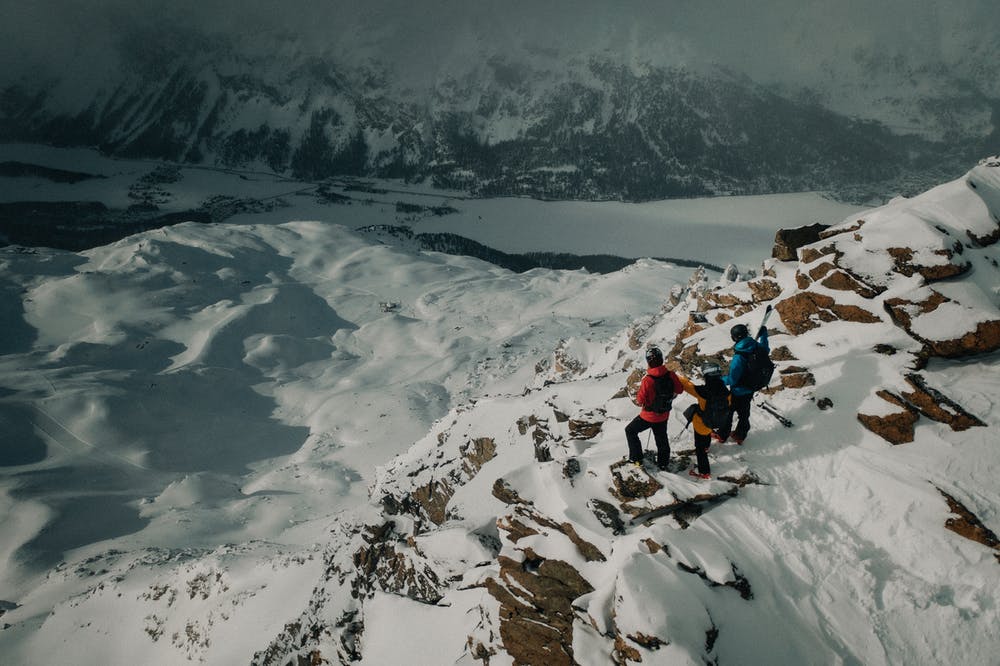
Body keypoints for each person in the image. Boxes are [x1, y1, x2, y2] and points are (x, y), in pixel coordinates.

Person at [625, 346, 682, 470]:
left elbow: (640, 400)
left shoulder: (648, 380)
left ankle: (636, 458)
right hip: (663, 414)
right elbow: (679, 390)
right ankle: (663, 464)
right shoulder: (671, 375)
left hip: (648, 416)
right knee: (661, 439)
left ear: (649, 362)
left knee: (630, 431)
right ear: (661, 359)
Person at [678, 362, 731, 480]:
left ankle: (704, 471)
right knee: (707, 431)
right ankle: (707, 445)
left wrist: (675, 376)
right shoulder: (726, 391)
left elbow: (687, 385)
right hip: (717, 421)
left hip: (701, 425)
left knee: (699, 447)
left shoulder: (702, 391)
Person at [718, 322, 770, 445]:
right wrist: (764, 335)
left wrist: (719, 380)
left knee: (728, 413)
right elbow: (766, 348)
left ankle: (722, 435)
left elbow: (732, 379)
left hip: (738, 391)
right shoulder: (757, 347)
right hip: (751, 387)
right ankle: (740, 435)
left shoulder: (739, 356)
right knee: (744, 413)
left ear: (734, 338)